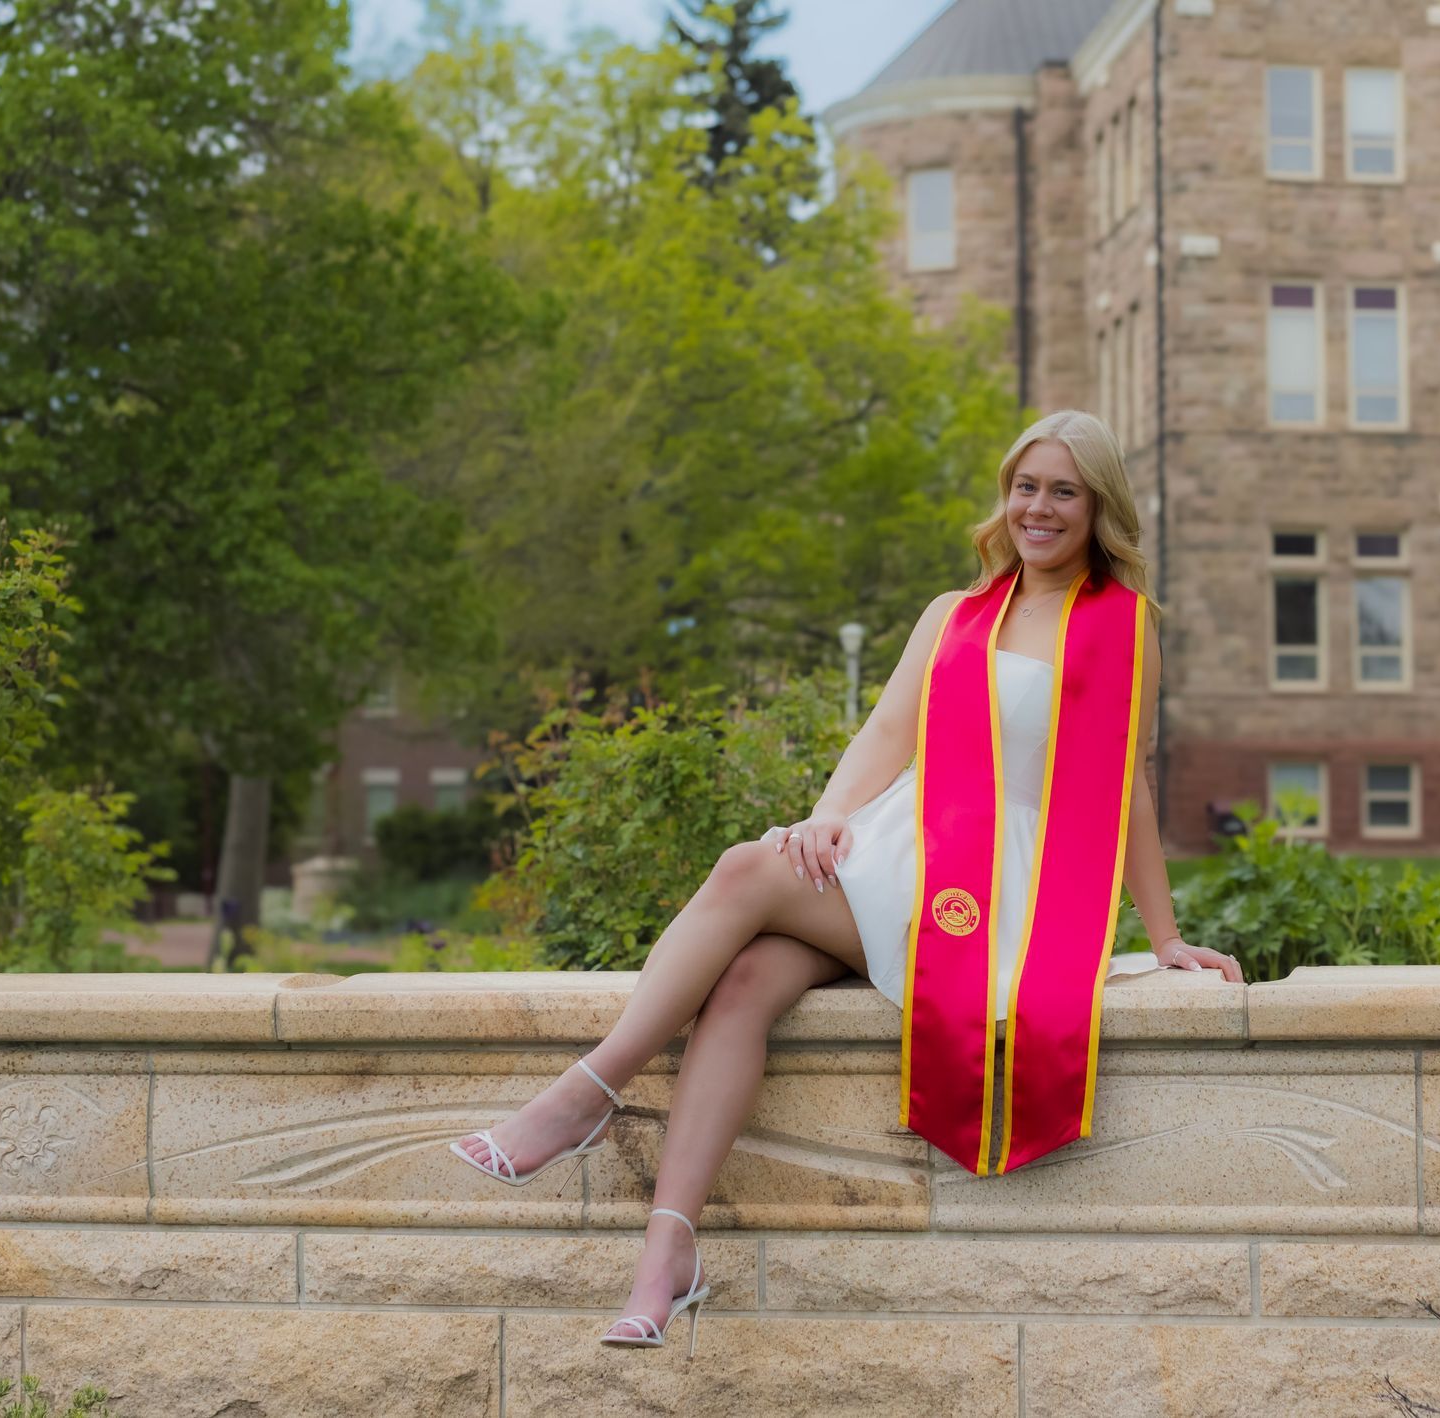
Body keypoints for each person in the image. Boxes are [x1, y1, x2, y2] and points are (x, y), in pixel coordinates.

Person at [451, 409, 1243, 1353]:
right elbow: (886, 735)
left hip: (995, 892)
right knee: (743, 983)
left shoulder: (1122, 629)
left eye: (1063, 491)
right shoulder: (955, 612)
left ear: (1098, 505)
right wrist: (829, 817)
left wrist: (1163, 938)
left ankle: (588, 1091)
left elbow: (1132, 783)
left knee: (747, 867)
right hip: (907, 838)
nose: (1039, 508)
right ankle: (667, 1260)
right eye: (1026, 485)